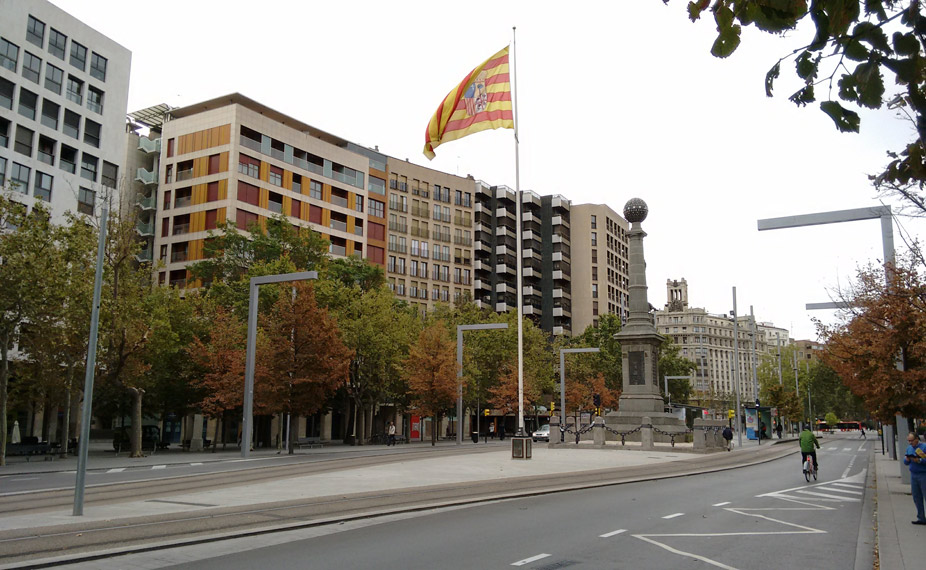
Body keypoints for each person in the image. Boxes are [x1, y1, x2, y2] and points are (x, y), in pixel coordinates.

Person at [903, 432, 926, 525]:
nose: (910, 443)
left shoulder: (923, 447)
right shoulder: (909, 448)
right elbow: (905, 461)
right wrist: (907, 460)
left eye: (912, 441)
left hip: (923, 474)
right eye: (909, 441)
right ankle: (921, 517)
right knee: (916, 497)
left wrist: (919, 460)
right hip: (913, 474)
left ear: (917, 439)